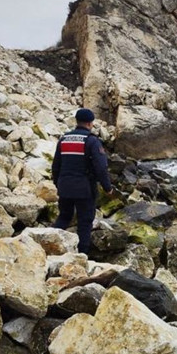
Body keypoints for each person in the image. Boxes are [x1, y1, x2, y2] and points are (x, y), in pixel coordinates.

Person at [51, 108, 113, 254]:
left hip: (65, 187)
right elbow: (101, 167)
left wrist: (58, 184)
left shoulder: (64, 139)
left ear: (77, 121)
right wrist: (107, 187)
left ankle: (50, 244)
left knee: (64, 217)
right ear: (90, 123)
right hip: (84, 189)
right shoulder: (92, 141)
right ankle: (82, 254)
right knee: (84, 222)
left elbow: (56, 166)